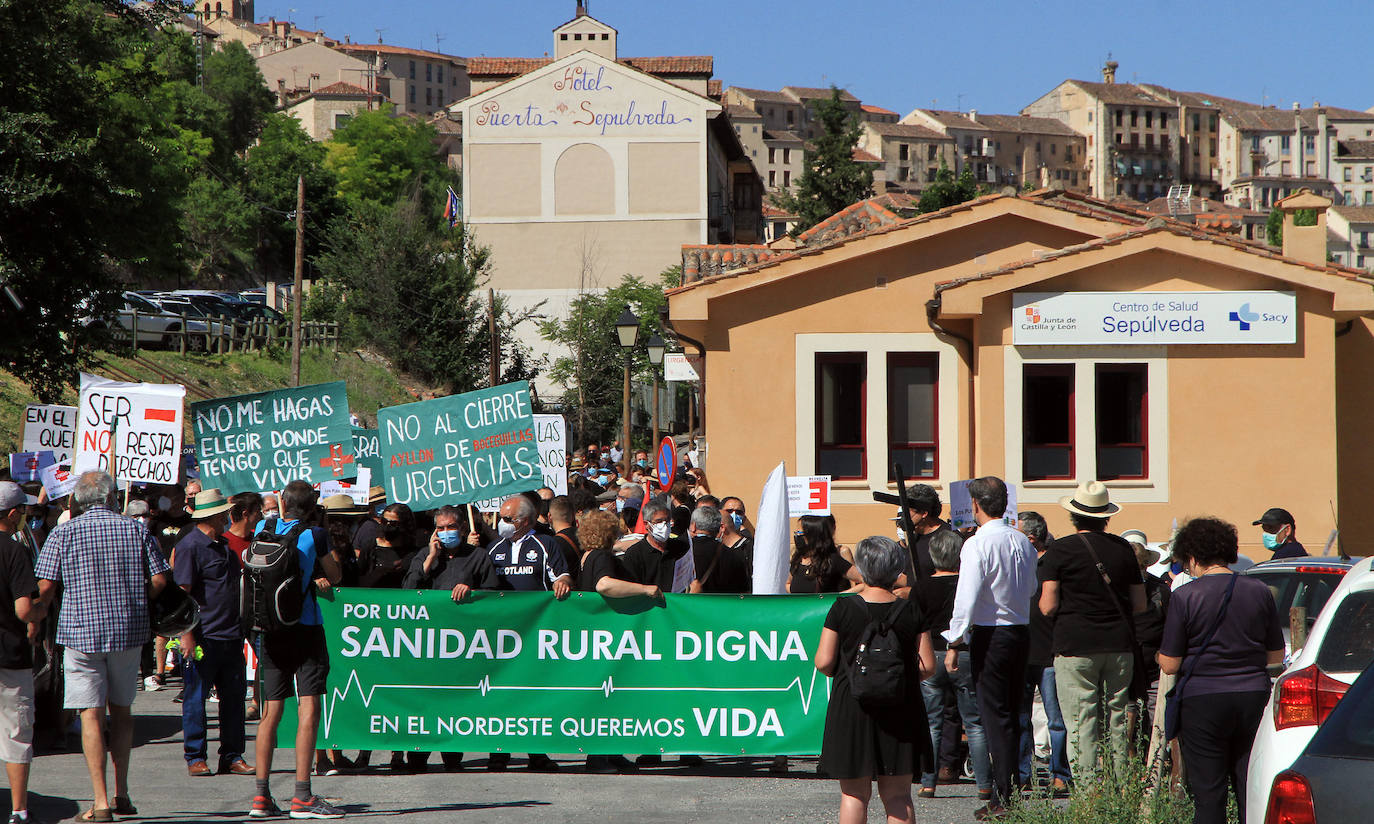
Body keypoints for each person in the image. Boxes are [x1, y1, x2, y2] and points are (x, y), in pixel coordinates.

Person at [35, 471, 170, 822]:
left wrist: (34, 618)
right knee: (122, 712)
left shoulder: (63, 532)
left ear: (78, 501)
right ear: (111, 498)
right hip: (127, 631)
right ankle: (121, 792)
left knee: (90, 715)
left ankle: (100, 802)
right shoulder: (136, 529)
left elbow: (46, 587)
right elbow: (158, 580)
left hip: (80, 633)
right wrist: (138, 601)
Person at [1159, 517, 1284, 824]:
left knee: (1209, 793)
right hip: (1253, 695)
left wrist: (1158, 656)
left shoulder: (1185, 596)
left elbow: (1171, 663)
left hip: (1203, 700)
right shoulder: (1259, 591)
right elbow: (1276, 654)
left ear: (1191, 556)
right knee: (1249, 787)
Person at [815, 536, 935, 824]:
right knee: (897, 795)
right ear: (897, 568)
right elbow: (928, 666)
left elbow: (823, 661)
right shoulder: (911, 610)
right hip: (900, 705)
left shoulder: (843, 608)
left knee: (854, 795)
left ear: (862, 568)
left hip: (852, 704)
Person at [943, 477, 1036, 821]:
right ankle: (1007, 790)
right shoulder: (1022, 541)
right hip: (1019, 631)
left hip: (991, 634)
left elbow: (965, 599)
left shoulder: (977, 544)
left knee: (995, 717)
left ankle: (1004, 796)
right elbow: (1031, 589)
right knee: (1011, 714)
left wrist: (954, 640)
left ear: (977, 506)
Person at [1039, 481, 1146, 780]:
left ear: (1074, 516)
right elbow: (1139, 603)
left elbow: (1048, 605)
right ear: (1106, 516)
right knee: (1118, 717)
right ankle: (1121, 785)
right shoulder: (1124, 548)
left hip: (1075, 643)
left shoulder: (1060, 550)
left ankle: (1087, 792)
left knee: (1080, 720)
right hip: (1119, 643)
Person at [249, 480, 343, 820]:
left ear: (284, 504)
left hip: (269, 630)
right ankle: (302, 795)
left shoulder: (263, 526)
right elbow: (335, 575)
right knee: (309, 708)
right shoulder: (315, 534)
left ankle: (261, 797)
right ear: (313, 507)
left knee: (271, 713)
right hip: (304, 628)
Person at [402, 505, 498, 773]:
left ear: (462, 529)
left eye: (450, 527)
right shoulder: (425, 555)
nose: (445, 533)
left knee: (454, 700)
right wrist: (430, 558)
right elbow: (408, 590)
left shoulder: (478, 556)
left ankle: (453, 757)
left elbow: (495, 596)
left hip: (462, 645)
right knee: (425, 701)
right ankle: (417, 757)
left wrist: (473, 591)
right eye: (440, 528)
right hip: (428, 644)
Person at [485, 495, 571, 772]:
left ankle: (537, 751)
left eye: (508, 519)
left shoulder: (546, 544)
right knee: (500, 694)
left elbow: (562, 576)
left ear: (526, 521)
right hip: (500, 636)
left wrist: (563, 583)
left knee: (532, 693)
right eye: (501, 518)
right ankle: (498, 752)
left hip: (535, 634)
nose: (503, 524)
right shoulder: (493, 548)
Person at [174, 489, 252, 778]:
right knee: (196, 699)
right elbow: (182, 595)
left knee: (234, 700)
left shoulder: (225, 548)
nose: (227, 518)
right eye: (223, 514)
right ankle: (195, 757)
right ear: (214, 515)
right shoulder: (190, 546)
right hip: (203, 636)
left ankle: (232, 755)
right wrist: (186, 634)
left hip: (231, 636)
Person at [576, 510, 656, 775]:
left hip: (600, 635)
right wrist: (645, 590)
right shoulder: (600, 557)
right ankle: (598, 757)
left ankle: (611, 751)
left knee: (610, 695)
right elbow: (604, 585)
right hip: (608, 636)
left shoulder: (587, 556)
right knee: (606, 695)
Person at [916, 529, 992, 800]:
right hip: (964, 653)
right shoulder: (968, 583)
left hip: (931, 654)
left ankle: (928, 782)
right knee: (974, 723)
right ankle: (984, 784)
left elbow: (915, 625)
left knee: (932, 722)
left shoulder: (922, 586)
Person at [0, 483, 47, 824]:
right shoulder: (14, 552)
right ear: (13, 514)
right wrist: (40, 610)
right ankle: (18, 809)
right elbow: (23, 610)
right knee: (15, 735)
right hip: (10, 656)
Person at [1015, 511, 1071, 796]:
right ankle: (1023, 774)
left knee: (1056, 719)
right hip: (1023, 651)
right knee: (1022, 717)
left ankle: (1060, 774)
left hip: (1049, 652)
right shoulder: (1018, 564)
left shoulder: (1052, 563)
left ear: (1031, 538)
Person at [620, 500, 695, 595]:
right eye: (659, 521)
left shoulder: (681, 548)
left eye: (667, 521)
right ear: (646, 524)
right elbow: (630, 589)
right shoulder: (634, 554)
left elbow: (691, 577)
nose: (664, 526)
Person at [786, 515, 861, 594]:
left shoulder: (831, 560)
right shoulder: (798, 558)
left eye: (800, 533)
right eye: (796, 532)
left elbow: (865, 582)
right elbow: (788, 584)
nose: (797, 536)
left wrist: (841, 596)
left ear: (812, 535)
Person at [687, 506, 750, 593]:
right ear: (718, 527)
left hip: (687, 605)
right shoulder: (734, 556)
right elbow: (743, 592)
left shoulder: (683, 550)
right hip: (724, 605)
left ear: (693, 526)